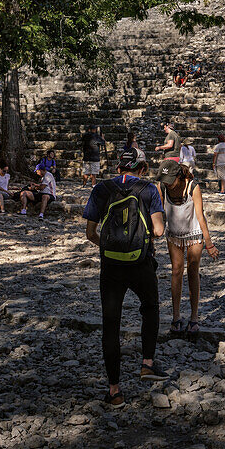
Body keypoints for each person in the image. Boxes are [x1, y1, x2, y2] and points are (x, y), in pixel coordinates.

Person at [83, 151, 168, 406]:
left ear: (119, 167)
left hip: (111, 266)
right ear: (142, 167)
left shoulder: (101, 188)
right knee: (150, 308)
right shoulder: (149, 189)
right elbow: (159, 231)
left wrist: (109, 247)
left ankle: (114, 391)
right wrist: (139, 243)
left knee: (111, 324)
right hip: (141, 263)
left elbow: (90, 232)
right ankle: (147, 364)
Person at [156, 159, 220, 338]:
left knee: (193, 270)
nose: (167, 183)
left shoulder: (193, 186)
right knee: (176, 271)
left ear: (178, 176)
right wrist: (152, 238)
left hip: (194, 233)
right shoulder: (161, 186)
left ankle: (194, 317)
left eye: (170, 179)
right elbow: (159, 211)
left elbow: (200, 216)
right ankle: (176, 316)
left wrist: (209, 243)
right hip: (174, 234)